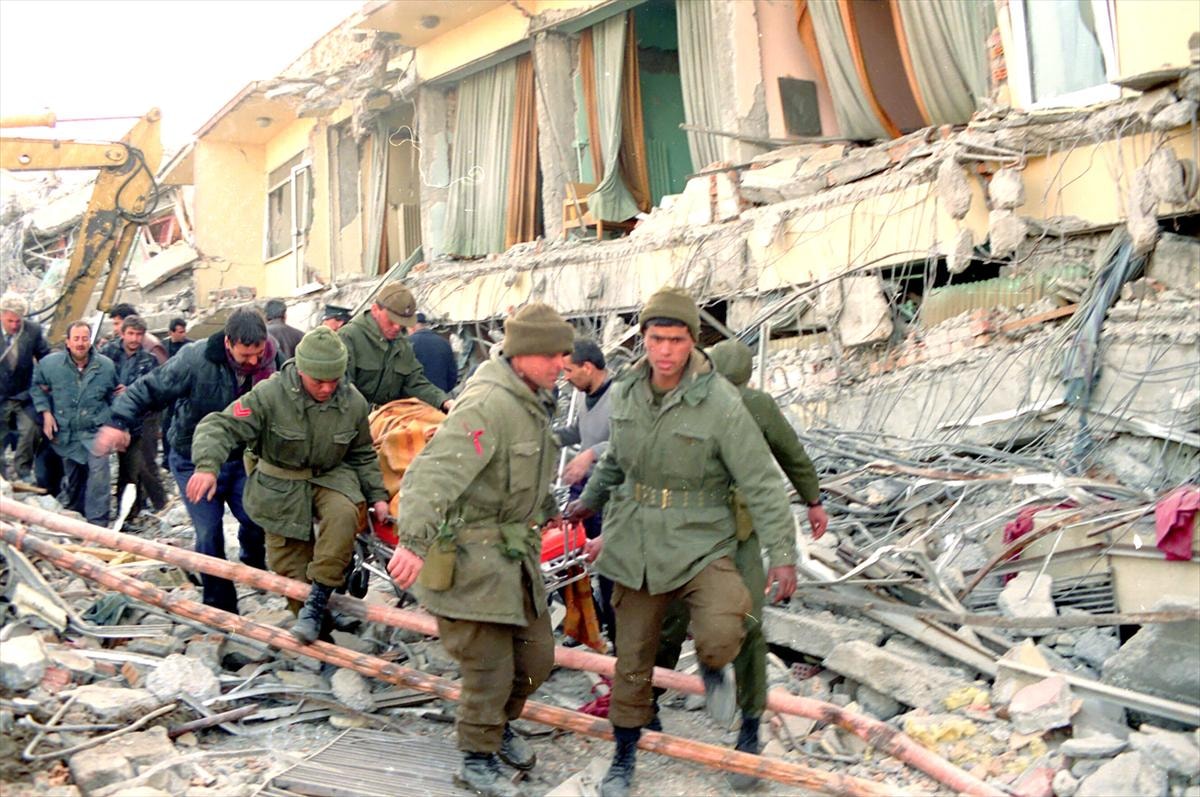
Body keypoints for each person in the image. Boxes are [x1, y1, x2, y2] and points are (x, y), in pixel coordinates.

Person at [565, 287, 798, 797]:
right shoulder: (628, 391)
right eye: (656, 339)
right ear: (643, 339)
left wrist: (783, 554)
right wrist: (590, 500)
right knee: (633, 657)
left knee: (727, 629)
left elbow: (761, 480)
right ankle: (624, 755)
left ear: (693, 341)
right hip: (638, 542)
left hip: (702, 541)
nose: (665, 351)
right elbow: (616, 458)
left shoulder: (720, 402)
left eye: (676, 340)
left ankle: (716, 672)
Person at [387, 303, 575, 797]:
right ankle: (476, 759)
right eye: (552, 355)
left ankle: (498, 726)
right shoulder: (487, 405)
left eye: (564, 355)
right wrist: (413, 543)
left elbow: (525, 467)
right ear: (523, 354)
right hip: (470, 560)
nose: (562, 364)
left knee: (536, 660)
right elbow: (431, 476)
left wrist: (547, 506)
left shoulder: (532, 399)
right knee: (489, 667)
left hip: (512, 555)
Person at [655, 338, 828, 790]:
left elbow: (788, 454)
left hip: (735, 537)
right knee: (678, 618)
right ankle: (658, 699)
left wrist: (811, 499)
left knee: (742, 622)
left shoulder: (756, 406)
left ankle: (747, 727)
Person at [187, 327, 389, 641]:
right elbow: (220, 426)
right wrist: (207, 467)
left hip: (331, 475)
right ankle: (321, 634)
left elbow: (362, 452)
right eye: (318, 381)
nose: (326, 388)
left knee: (344, 515)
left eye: (333, 380)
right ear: (301, 370)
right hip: (280, 483)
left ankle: (320, 598)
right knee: (291, 568)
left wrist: (377, 495)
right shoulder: (270, 394)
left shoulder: (353, 402)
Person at [94, 309, 278, 613]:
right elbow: (149, 389)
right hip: (192, 458)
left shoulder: (272, 358)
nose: (253, 361)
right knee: (209, 532)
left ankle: (253, 564)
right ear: (229, 343)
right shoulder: (195, 359)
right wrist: (118, 422)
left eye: (258, 353)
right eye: (246, 355)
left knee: (256, 519)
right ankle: (220, 607)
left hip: (241, 458)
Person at [554, 339, 615, 642]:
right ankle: (588, 622)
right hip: (582, 487)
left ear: (588, 367)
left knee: (608, 564)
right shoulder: (583, 395)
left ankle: (616, 634)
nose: (565, 378)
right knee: (568, 554)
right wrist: (548, 438)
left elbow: (627, 442)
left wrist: (590, 454)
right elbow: (580, 430)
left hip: (606, 488)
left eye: (569, 370)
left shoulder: (620, 396)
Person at [32, 320, 117, 526]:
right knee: (75, 478)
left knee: (99, 474)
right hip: (66, 434)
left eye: (85, 339)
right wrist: (46, 413)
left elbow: (114, 395)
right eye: (76, 339)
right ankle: (78, 518)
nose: (80, 343)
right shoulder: (50, 365)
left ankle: (98, 523)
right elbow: (36, 387)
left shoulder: (105, 366)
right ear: (68, 342)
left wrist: (116, 426)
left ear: (90, 341)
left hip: (95, 432)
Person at [338, 283, 453, 412]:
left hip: (388, 418)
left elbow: (415, 382)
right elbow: (343, 389)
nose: (397, 328)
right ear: (375, 310)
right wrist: (376, 412)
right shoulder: (349, 337)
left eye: (402, 323)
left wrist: (444, 401)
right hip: (357, 418)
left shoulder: (402, 344)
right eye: (391, 321)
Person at [108, 316, 168, 521]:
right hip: (114, 418)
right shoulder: (108, 353)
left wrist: (131, 391)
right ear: (122, 333)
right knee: (125, 468)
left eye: (139, 334)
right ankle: (126, 513)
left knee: (144, 464)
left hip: (143, 420)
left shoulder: (149, 360)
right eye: (131, 334)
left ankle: (160, 505)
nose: (134, 339)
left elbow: (155, 391)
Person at [1, 292, 51, 482]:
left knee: (31, 429)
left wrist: (47, 380)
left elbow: (45, 357)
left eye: (18, 321)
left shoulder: (32, 331)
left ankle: (22, 471)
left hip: (23, 395)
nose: (14, 325)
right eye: (10, 321)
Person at [162, 318, 190, 465]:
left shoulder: (190, 347)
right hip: (167, 392)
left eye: (184, 331)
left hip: (183, 391)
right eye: (180, 332)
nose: (183, 335)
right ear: (171, 332)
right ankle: (167, 457)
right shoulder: (162, 347)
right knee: (166, 424)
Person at [408, 312, 458, 393]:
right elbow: (452, 375)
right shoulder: (444, 343)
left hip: (415, 397)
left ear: (412, 327)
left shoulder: (408, 343)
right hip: (440, 395)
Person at [102, 303, 167, 364]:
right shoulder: (111, 348)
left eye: (117, 323)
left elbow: (162, 369)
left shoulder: (151, 345)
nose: (115, 329)